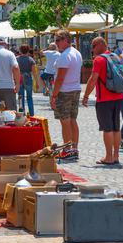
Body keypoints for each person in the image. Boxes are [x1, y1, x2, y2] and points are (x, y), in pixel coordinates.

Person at [82, 37, 123, 165]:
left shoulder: (99, 60)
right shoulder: (116, 57)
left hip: (104, 98)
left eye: (93, 46)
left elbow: (93, 79)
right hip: (118, 96)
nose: (92, 49)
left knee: (107, 128)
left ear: (100, 45)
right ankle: (116, 156)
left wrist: (85, 96)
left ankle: (109, 157)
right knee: (116, 127)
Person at [50, 31, 82, 161]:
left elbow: (60, 79)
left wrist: (54, 95)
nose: (56, 43)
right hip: (75, 89)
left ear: (66, 40)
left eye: (58, 40)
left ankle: (68, 149)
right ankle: (74, 148)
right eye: (56, 40)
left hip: (65, 91)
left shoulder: (65, 56)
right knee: (73, 120)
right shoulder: (77, 53)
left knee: (65, 121)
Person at [17, 44, 36, 116]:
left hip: (19, 78)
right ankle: (31, 114)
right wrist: (36, 82)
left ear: (20, 50)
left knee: (20, 97)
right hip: (28, 78)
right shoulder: (31, 59)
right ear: (28, 51)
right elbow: (34, 72)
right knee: (29, 97)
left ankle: (22, 113)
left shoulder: (17, 59)